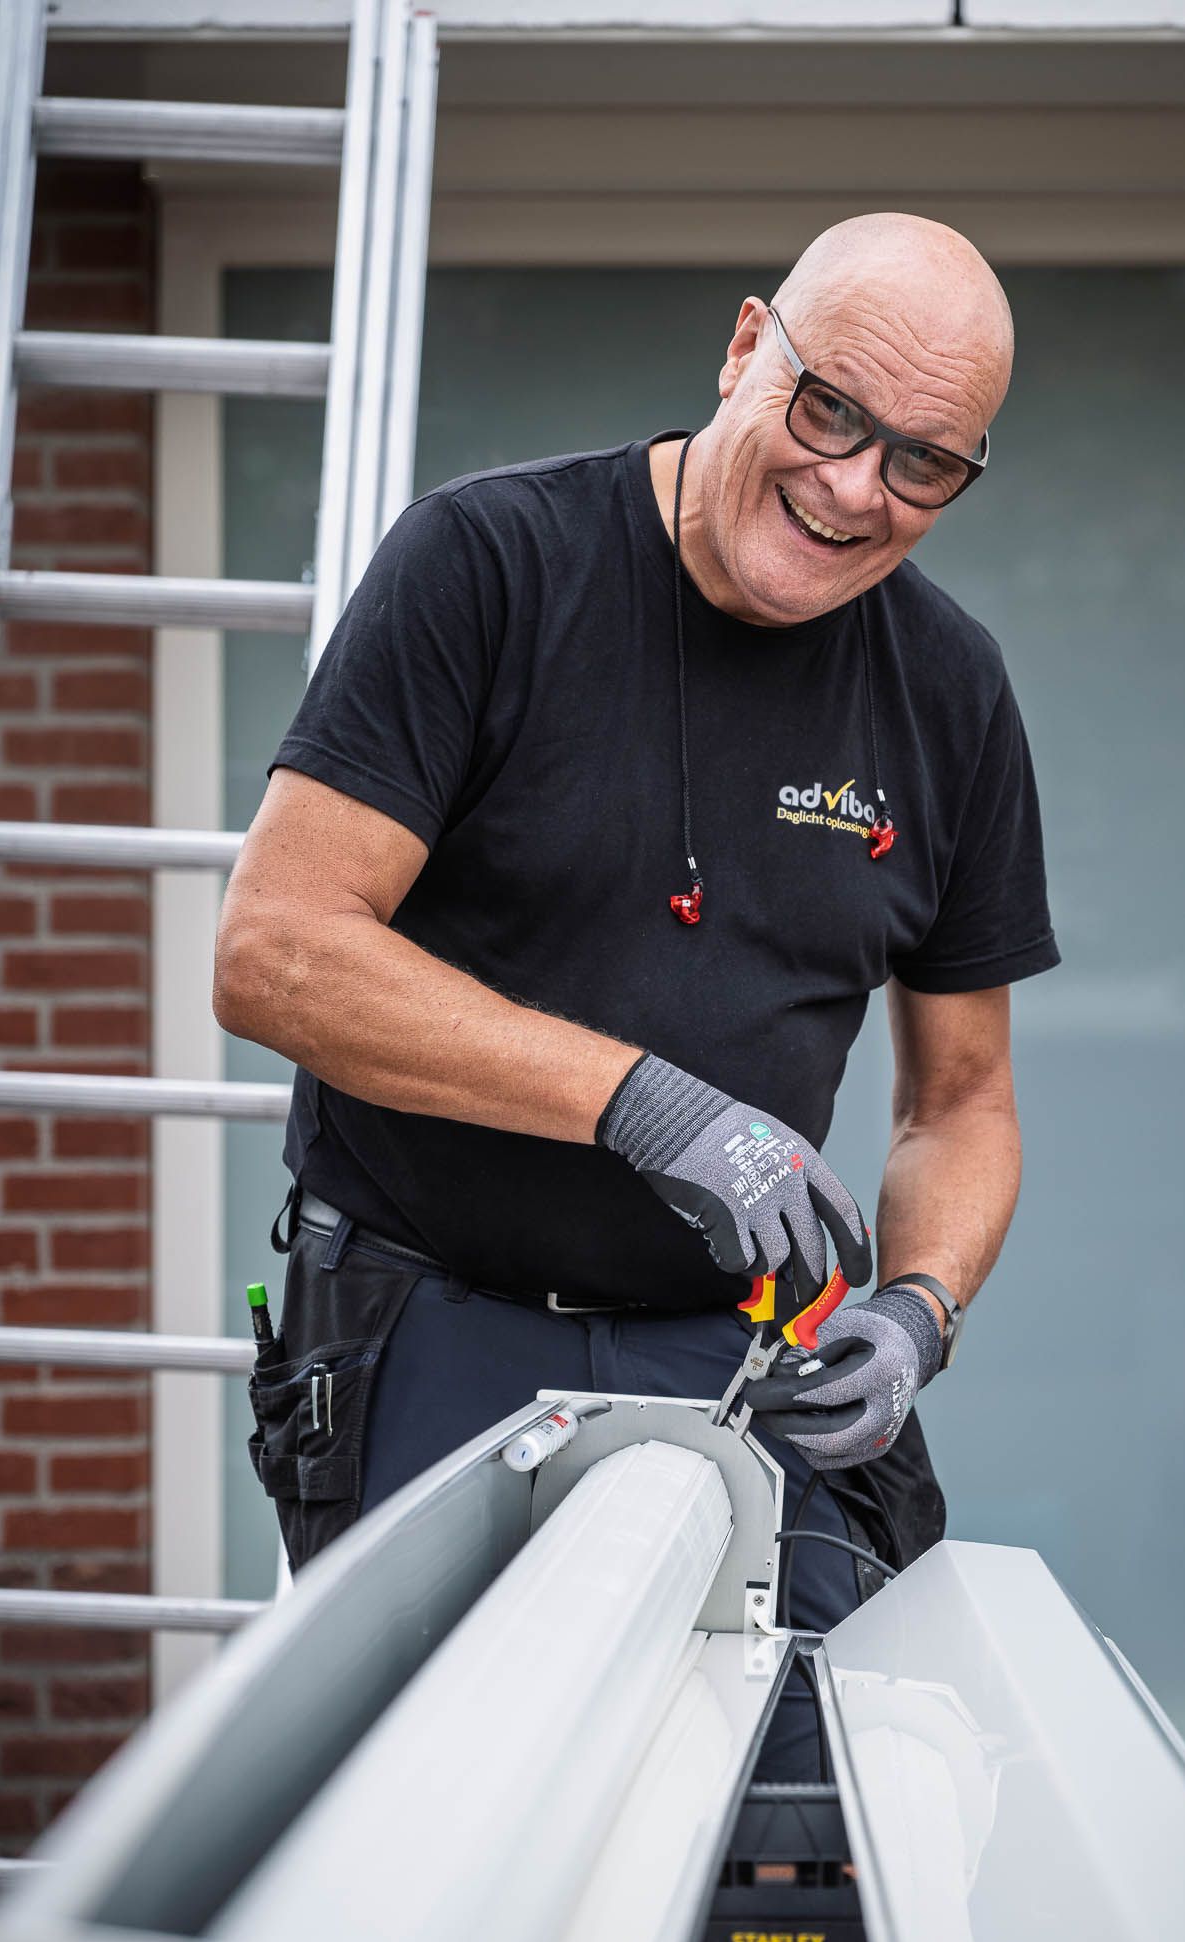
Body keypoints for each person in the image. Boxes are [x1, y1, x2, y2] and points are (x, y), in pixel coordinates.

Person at [214, 212, 1060, 1773]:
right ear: (747, 348)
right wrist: (639, 1102)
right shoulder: (491, 568)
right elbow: (275, 950)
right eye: (829, 412)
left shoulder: (947, 691)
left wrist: (918, 1310)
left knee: (784, 1819)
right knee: (439, 1810)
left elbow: (965, 1103)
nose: (858, 488)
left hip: (732, 1363)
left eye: (925, 463)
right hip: (429, 1326)